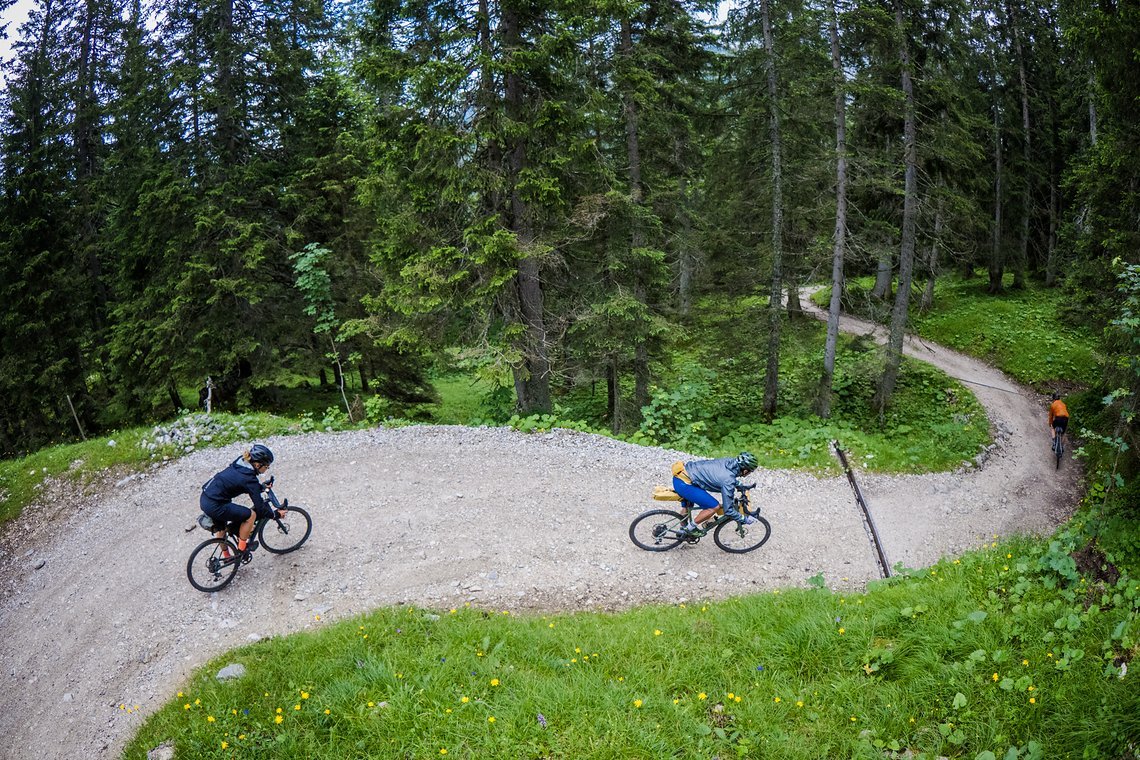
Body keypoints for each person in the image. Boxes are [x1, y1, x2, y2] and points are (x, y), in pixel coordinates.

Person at [199, 444, 283, 558]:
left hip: (205, 498)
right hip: (217, 505)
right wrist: (275, 514)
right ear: (258, 464)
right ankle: (241, 550)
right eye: (266, 466)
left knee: (221, 527)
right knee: (251, 515)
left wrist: (261, 487)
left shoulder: (240, 463)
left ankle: (227, 556)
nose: (267, 469)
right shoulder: (249, 479)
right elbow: (260, 507)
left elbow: (243, 483)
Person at [672, 452, 760, 537]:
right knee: (714, 507)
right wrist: (743, 519)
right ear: (745, 471)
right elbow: (728, 510)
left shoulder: (728, 461)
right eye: (750, 472)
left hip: (681, 476)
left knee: (688, 505)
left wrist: (739, 485)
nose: (749, 473)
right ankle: (689, 529)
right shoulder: (728, 480)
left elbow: (718, 475)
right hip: (685, 484)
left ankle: (683, 529)